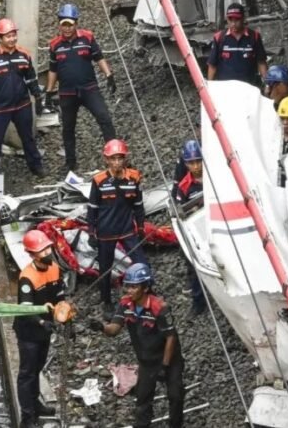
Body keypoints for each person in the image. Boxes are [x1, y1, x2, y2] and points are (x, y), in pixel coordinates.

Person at [91, 263, 184, 428]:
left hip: (168, 360)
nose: (129, 291)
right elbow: (114, 329)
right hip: (146, 360)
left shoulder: (160, 308)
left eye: (134, 287)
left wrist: (165, 365)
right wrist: (102, 327)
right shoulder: (126, 305)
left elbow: (171, 337)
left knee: (175, 396)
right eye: (128, 286)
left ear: (145, 287)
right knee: (143, 400)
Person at [45, 4, 117, 172]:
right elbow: (53, 69)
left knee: (104, 118)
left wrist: (109, 76)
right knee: (68, 128)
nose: (67, 28)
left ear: (76, 23)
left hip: (89, 89)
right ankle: (70, 163)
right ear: (59, 24)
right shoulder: (55, 45)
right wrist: (49, 92)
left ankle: (115, 156)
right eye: (64, 24)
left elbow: (99, 57)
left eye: (70, 24)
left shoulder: (87, 38)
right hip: (67, 93)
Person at [0, 18, 46, 190]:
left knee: (28, 138)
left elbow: (31, 79)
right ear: (0, 38)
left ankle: (36, 165)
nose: (12, 39)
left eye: (13, 35)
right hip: (0, 108)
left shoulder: (24, 55)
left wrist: (37, 98)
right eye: (8, 36)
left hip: (21, 106)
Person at [88, 139, 147, 316]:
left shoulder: (134, 177)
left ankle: (145, 296)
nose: (116, 162)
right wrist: (92, 232)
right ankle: (106, 301)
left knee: (142, 263)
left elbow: (138, 205)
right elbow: (92, 208)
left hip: (128, 230)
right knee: (105, 268)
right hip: (106, 233)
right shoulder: (98, 181)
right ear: (106, 160)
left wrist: (141, 226)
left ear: (125, 159)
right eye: (112, 159)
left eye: (120, 158)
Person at [14, 230, 66, 428]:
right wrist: (43, 322)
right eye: (41, 250)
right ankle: (27, 417)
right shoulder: (27, 278)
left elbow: (59, 296)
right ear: (32, 254)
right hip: (29, 332)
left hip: (45, 330)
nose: (47, 253)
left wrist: (64, 312)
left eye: (47, 248)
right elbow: (26, 310)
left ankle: (36, 404)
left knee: (37, 369)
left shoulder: (54, 269)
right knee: (27, 373)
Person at [174, 140, 206, 315]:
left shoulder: (214, 176)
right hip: (198, 232)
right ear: (186, 164)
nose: (195, 166)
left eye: (198, 161)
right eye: (191, 163)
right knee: (194, 266)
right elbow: (181, 212)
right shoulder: (184, 186)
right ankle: (198, 301)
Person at [206, 2, 268, 84]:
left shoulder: (254, 37)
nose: (233, 24)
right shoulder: (219, 38)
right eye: (230, 20)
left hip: (249, 87)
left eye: (237, 20)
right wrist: (209, 87)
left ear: (243, 18)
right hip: (226, 88)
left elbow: (261, 62)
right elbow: (212, 65)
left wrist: (268, 85)